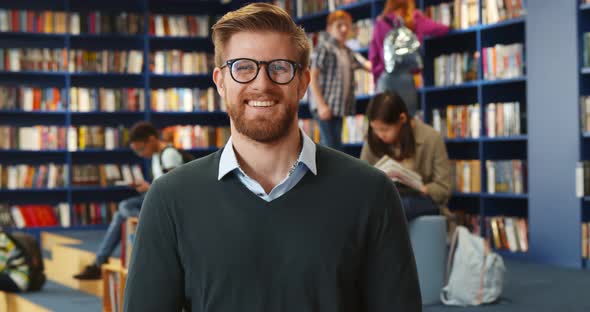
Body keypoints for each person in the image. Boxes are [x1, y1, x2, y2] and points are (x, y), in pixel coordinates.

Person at [124, 3, 421, 311]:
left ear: (303, 82)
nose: (262, 83)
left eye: (279, 67)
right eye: (243, 67)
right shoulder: (170, 199)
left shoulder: (371, 192)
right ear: (220, 82)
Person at [73, 121, 184, 280]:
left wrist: (149, 188)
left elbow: (175, 187)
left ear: (152, 140)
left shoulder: (169, 155)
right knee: (121, 213)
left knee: (124, 207)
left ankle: (144, 226)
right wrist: (148, 186)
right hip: (157, 198)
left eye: (140, 149)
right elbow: (162, 184)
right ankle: (99, 262)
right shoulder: (156, 155)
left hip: (167, 204)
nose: (140, 154)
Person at [360, 90, 452, 221]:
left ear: (402, 119)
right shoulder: (373, 140)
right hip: (383, 199)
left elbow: (444, 188)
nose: (380, 135)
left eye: (385, 129)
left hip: (420, 200)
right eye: (375, 129)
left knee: (399, 206)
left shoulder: (431, 138)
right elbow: (363, 181)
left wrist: (421, 188)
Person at [369, 0, 449, 116]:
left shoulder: (380, 24)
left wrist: (378, 78)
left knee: (386, 118)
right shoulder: (413, 20)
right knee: (406, 119)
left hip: (385, 78)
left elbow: (373, 56)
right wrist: (418, 16)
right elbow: (442, 29)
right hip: (407, 79)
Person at [309, 10, 371, 151]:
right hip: (325, 107)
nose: (344, 29)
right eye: (339, 26)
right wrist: (321, 105)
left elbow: (366, 65)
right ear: (329, 28)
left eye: (347, 26)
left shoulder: (348, 52)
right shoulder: (324, 48)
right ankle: (328, 173)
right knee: (331, 147)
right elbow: (312, 77)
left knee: (336, 146)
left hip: (339, 108)